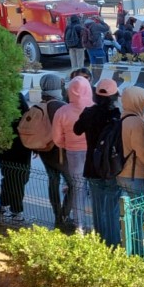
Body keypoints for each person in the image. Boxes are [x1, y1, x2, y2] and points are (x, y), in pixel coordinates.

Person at [74, 79, 122, 247]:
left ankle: (101, 242)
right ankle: (113, 244)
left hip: (92, 165)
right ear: (115, 96)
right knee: (112, 209)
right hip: (111, 167)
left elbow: (76, 129)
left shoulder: (88, 113)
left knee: (97, 207)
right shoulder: (116, 116)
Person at [52, 75, 94, 231]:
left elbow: (56, 138)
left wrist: (68, 144)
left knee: (78, 188)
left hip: (73, 153)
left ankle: (79, 226)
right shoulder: (94, 108)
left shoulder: (62, 111)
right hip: (93, 153)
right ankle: (98, 225)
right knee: (95, 189)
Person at [36, 74, 75, 231]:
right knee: (73, 184)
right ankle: (64, 217)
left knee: (53, 180)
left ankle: (57, 213)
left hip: (44, 151)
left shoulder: (39, 105)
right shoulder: (61, 106)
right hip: (59, 153)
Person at [0, 93, 32, 221]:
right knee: (19, 178)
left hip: (4, 146)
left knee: (10, 176)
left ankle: (3, 203)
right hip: (20, 146)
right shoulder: (17, 97)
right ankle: (16, 210)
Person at [118, 86, 144, 198]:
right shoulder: (136, 122)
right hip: (135, 174)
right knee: (140, 212)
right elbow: (141, 150)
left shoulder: (123, 117)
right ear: (136, 100)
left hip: (122, 172)